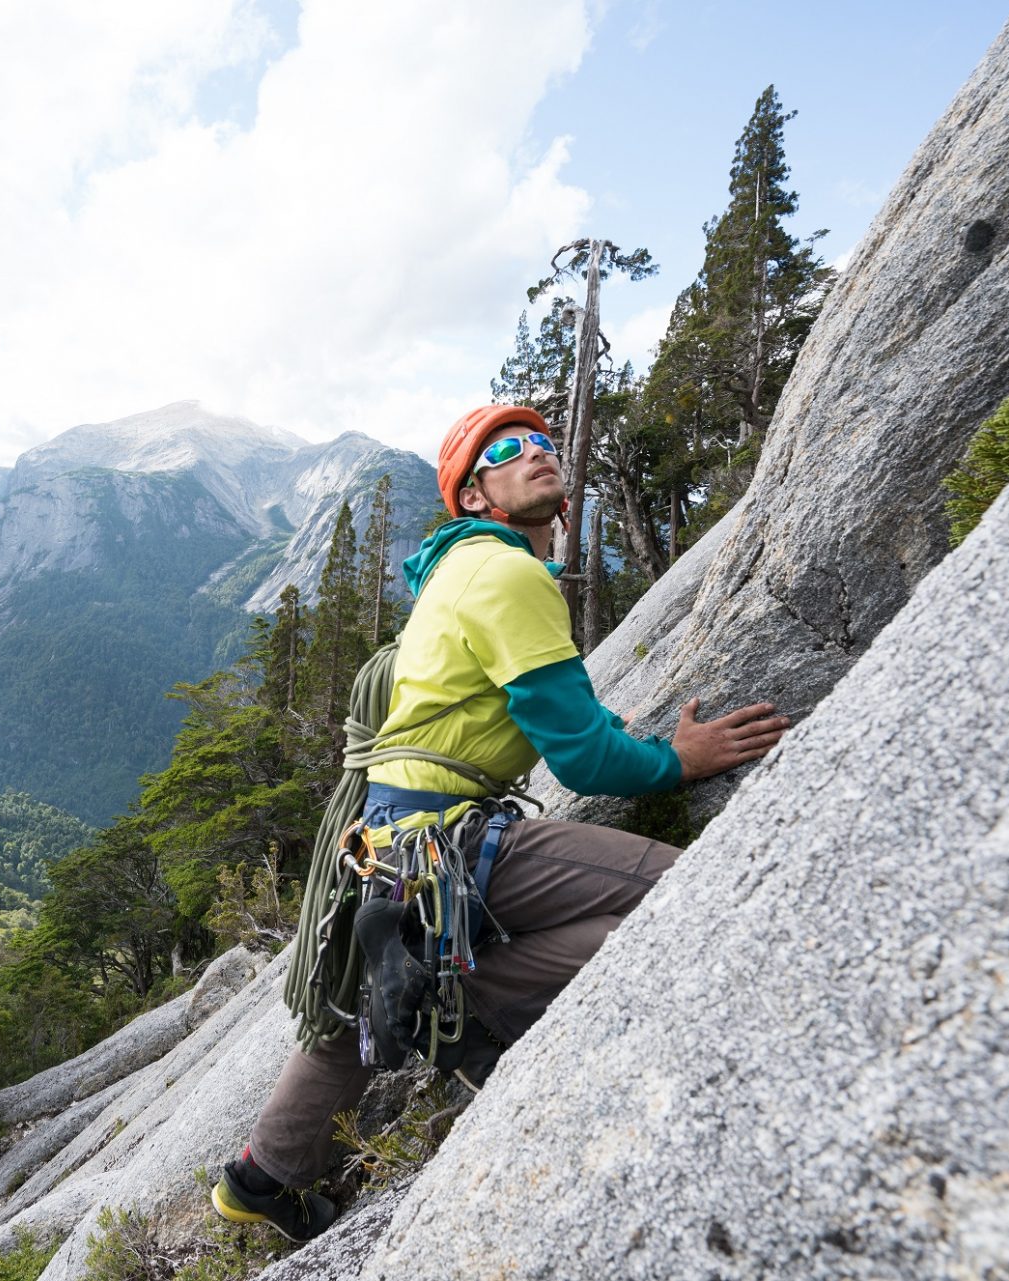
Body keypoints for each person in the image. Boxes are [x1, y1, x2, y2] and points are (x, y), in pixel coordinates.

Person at [210, 403, 790, 1242]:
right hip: (449, 835)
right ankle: (462, 996)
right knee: (678, 894)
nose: (537, 454)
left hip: (387, 838)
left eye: (547, 445)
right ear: (477, 494)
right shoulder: (511, 573)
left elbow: (561, 711)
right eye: (509, 450)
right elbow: (584, 760)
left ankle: (259, 1176)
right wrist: (678, 761)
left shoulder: (456, 571)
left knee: (356, 997)